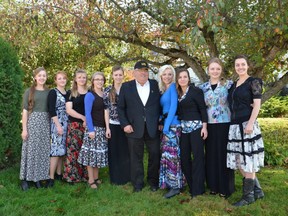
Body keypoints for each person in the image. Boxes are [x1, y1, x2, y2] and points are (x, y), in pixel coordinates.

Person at [227, 55, 264, 206]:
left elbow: (256, 105)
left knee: (248, 160)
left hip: (247, 125)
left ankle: (248, 196)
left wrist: (250, 123)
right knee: (238, 160)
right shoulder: (233, 85)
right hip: (234, 126)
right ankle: (257, 189)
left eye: (243, 64)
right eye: (237, 65)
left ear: (247, 66)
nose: (240, 67)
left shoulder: (254, 82)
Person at [118, 60, 161, 192]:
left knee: (155, 155)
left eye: (146, 71)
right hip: (133, 128)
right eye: (141, 71)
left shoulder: (155, 85)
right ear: (134, 72)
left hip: (152, 128)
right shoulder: (126, 87)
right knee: (136, 157)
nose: (144, 73)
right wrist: (125, 124)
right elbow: (121, 108)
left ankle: (153, 182)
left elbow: (159, 106)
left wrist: (160, 122)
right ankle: (137, 183)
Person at [199, 58, 235, 197]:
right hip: (209, 125)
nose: (215, 71)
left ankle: (225, 187)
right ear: (208, 70)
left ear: (221, 70)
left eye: (218, 69)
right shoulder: (202, 88)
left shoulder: (229, 85)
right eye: (212, 68)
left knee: (224, 155)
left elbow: (237, 99)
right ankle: (213, 186)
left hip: (225, 124)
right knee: (211, 155)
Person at [176, 68, 208, 198]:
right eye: (180, 77)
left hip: (196, 128)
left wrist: (204, 127)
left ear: (188, 78)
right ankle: (191, 184)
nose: (183, 79)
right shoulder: (177, 93)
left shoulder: (196, 91)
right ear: (177, 80)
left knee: (198, 158)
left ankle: (198, 189)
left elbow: (202, 109)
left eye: (185, 77)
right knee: (184, 158)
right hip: (184, 129)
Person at [20, 67, 50, 190]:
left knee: (42, 150)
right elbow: (25, 111)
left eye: (44, 75)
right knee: (30, 150)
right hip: (33, 123)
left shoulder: (49, 92)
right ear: (35, 77)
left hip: (45, 123)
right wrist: (24, 129)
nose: (42, 77)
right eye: (39, 75)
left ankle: (37, 177)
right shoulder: (29, 91)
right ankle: (25, 179)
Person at [78, 72, 108, 189]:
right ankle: (90, 180)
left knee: (98, 154)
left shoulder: (104, 94)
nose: (99, 81)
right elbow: (87, 113)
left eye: (101, 79)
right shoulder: (90, 95)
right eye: (97, 79)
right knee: (90, 155)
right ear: (93, 81)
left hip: (102, 128)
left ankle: (96, 177)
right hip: (93, 128)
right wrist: (91, 130)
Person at [158, 65, 184, 198]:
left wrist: (167, 126)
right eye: (164, 74)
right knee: (167, 155)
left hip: (173, 125)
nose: (167, 76)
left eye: (170, 74)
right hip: (167, 124)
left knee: (173, 156)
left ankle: (176, 186)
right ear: (161, 76)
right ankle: (169, 183)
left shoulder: (173, 87)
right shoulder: (163, 90)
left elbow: (174, 106)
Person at [104, 65, 130, 185]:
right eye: (116, 75)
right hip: (113, 124)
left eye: (120, 74)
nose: (118, 77)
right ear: (112, 76)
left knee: (125, 151)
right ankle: (115, 178)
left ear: (123, 75)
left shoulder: (128, 88)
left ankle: (126, 176)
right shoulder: (108, 90)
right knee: (114, 151)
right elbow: (106, 110)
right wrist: (107, 127)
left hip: (126, 124)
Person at [63, 69, 88, 184]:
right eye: (79, 77)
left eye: (84, 77)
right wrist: (83, 118)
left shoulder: (90, 92)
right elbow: (69, 110)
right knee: (74, 150)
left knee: (85, 150)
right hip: (74, 125)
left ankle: (86, 176)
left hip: (87, 126)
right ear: (75, 79)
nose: (82, 79)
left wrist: (88, 120)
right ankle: (72, 177)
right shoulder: (71, 93)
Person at [46, 71, 69, 187]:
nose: (62, 80)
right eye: (59, 78)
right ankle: (51, 177)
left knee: (62, 150)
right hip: (57, 123)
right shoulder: (53, 92)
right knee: (55, 150)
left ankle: (59, 174)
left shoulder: (68, 93)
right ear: (55, 80)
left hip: (67, 123)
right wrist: (58, 125)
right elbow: (51, 109)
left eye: (64, 78)